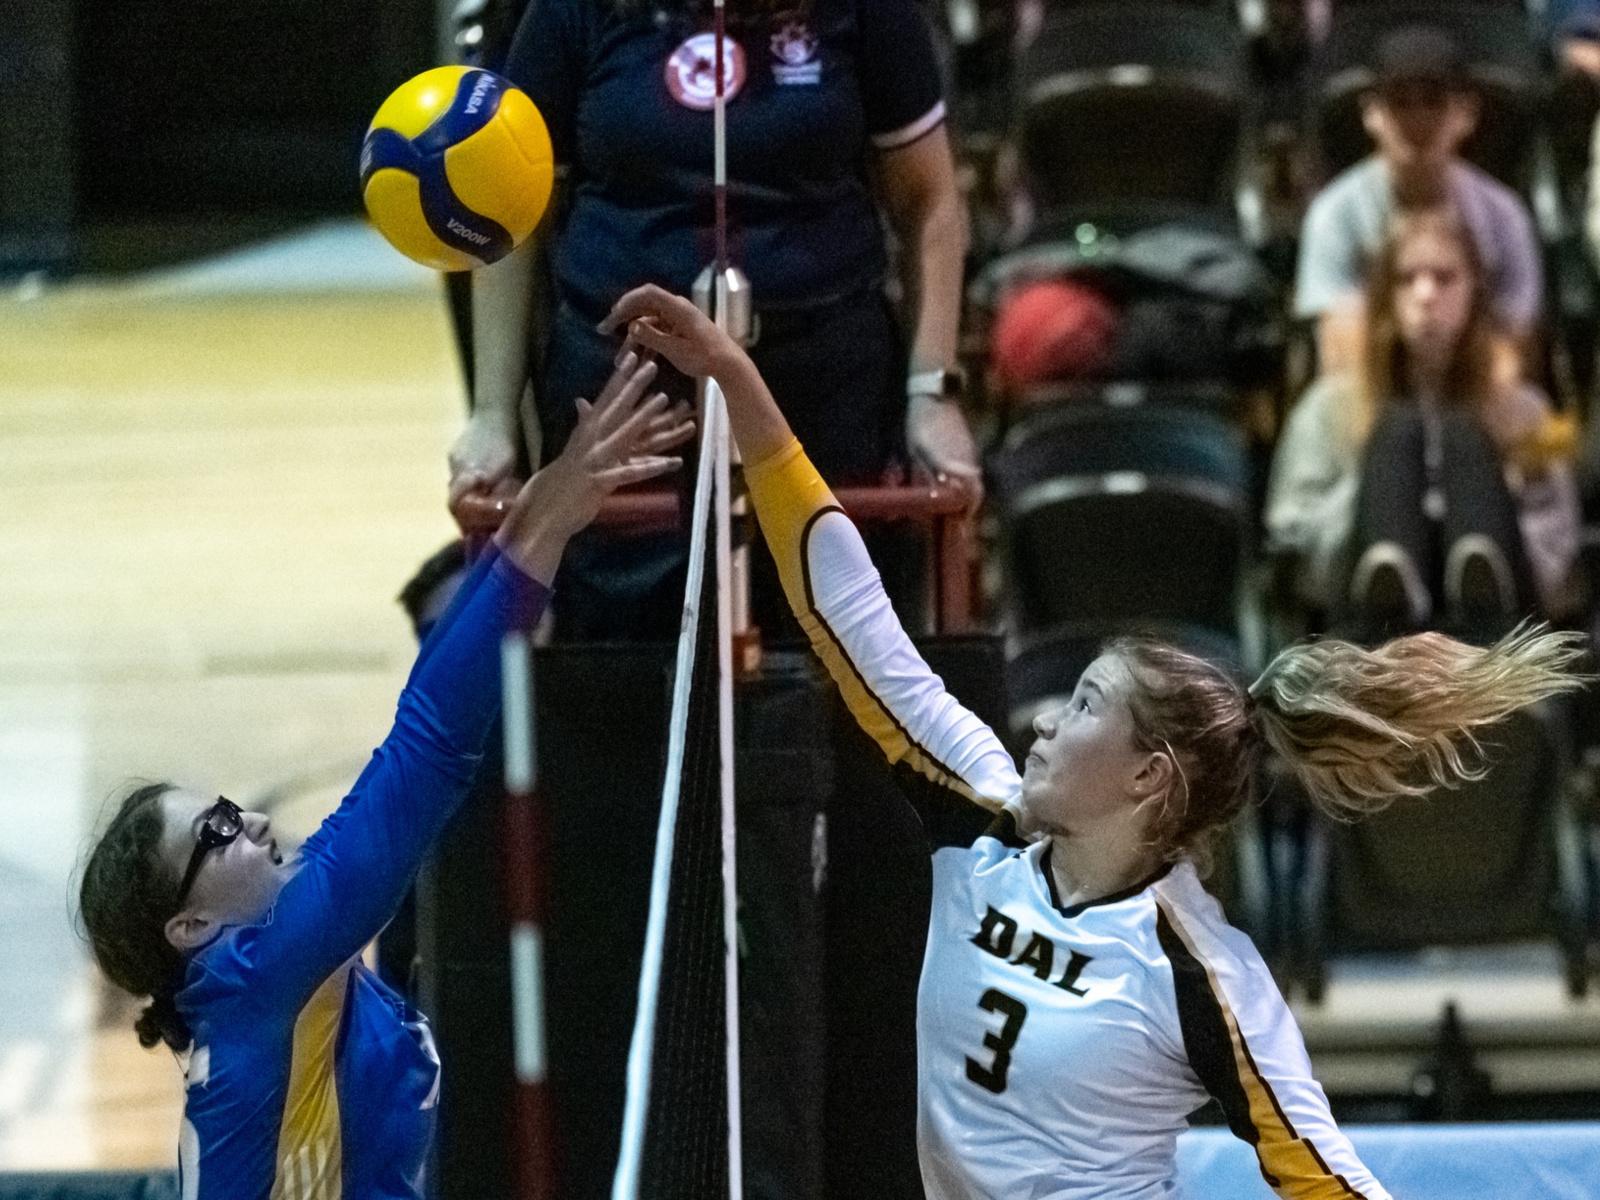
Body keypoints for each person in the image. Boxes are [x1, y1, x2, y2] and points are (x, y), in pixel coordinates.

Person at [601, 281, 1588, 1199]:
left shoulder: (1199, 971)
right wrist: (738, 379)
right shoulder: (978, 815)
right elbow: (847, 609)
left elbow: (1328, 1180)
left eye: (1079, 710)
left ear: (1147, 779)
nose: (1037, 724)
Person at [75, 355, 689, 1199]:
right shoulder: (263, 981)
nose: (250, 822)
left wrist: (539, 514)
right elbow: (430, 750)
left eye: (228, 808)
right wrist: (551, 525)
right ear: (191, 927)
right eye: (216, 835)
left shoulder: (289, 977)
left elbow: (417, 722)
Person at [449, 0, 979, 640]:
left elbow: (930, 203)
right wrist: (491, 415)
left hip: (823, 393)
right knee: (627, 663)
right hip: (628, 397)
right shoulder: (572, 13)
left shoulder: (868, 13)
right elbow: (513, 218)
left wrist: (932, 393)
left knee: (836, 663)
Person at [1269, 210, 1579, 636]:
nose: (1426, 293)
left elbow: (1558, 554)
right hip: (1366, 619)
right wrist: (1376, 491)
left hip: (1499, 621)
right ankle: (1392, 589)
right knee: (1397, 435)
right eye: (1406, 278)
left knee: (1464, 437)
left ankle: (1478, 594)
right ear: (1385, 297)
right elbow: (1297, 552)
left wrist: (1498, 495)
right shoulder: (1329, 408)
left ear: (1473, 291)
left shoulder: (1522, 410)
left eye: (1444, 277)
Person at [1295, 24, 1543, 376]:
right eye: (1400, 103)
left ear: (1466, 113)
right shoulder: (1335, 215)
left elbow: (1514, 350)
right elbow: (1340, 352)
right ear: (1372, 114)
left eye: (1434, 102)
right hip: (1370, 395)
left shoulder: (1504, 216)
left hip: (1474, 395)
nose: (1418, 120)